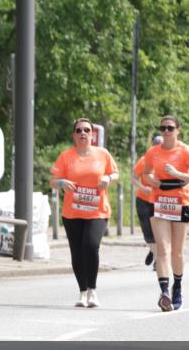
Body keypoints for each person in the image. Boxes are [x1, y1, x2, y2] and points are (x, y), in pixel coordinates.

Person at [48, 118, 119, 308]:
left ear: (92, 134)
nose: (83, 133)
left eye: (87, 130)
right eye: (79, 130)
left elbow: (115, 173)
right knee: (77, 252)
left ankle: (93, 290)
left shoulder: (102, 154)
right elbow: (53, 180)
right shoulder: (66, 156)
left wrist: (108, 177)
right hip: (72, 212)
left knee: (91, 244)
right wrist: (62, 183)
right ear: (74, 135)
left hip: (98, 210)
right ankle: (82, 292)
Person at [143, 115, 189, 311]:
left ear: (178, 130)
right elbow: (145, 173)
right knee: (162, 249)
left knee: (177, 252)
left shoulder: (185, 151)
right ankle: (164, 293)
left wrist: (178, 174)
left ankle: (177, 286)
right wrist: (154, 181)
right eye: (163, 128)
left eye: (170, 128)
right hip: (160, 200)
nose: (166, 132)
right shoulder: (153, 152)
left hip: (181, 199)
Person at [132, 134, 163, 269]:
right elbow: (133, 178)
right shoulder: (144, 161)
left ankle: (156, 257)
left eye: (160, 146)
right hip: (144, 199)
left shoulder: (167, 161)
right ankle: (154, 252)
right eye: (155, 145)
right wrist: (142, 187)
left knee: (160, 230)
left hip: (160, 200)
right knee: (147, 230)